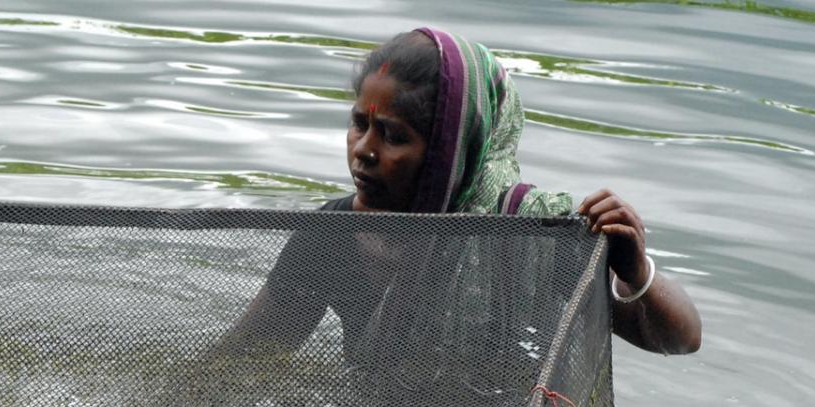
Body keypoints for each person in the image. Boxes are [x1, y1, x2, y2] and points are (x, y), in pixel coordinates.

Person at [231, 27, 702, 357]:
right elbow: (246, 358)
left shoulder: (528, 234)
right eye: (359, 124)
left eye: (393, 135)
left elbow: (680, 339)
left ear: (450, 150)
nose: (364, 151)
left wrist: (635, 270)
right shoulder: (331, 236)